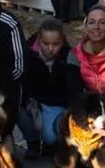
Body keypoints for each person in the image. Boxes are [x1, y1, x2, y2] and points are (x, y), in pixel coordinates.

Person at [18, 20, 73, 155]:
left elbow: (72, 88)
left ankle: (52, 142)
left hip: (55, 104)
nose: (50, 48)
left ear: (62, 41)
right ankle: (32, 141)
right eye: (46, 43)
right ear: (39, 39)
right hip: (32, 101)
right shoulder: (27, 54)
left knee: (50, 137)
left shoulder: (69, 56)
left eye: (56, 44)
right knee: (15, 109)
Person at [68, 4, 105, 104]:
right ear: (86, 27)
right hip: (91, 105)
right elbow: (74, 92)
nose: (96, 27)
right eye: (91, 22)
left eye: (102, 23)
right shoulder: (76, 54)